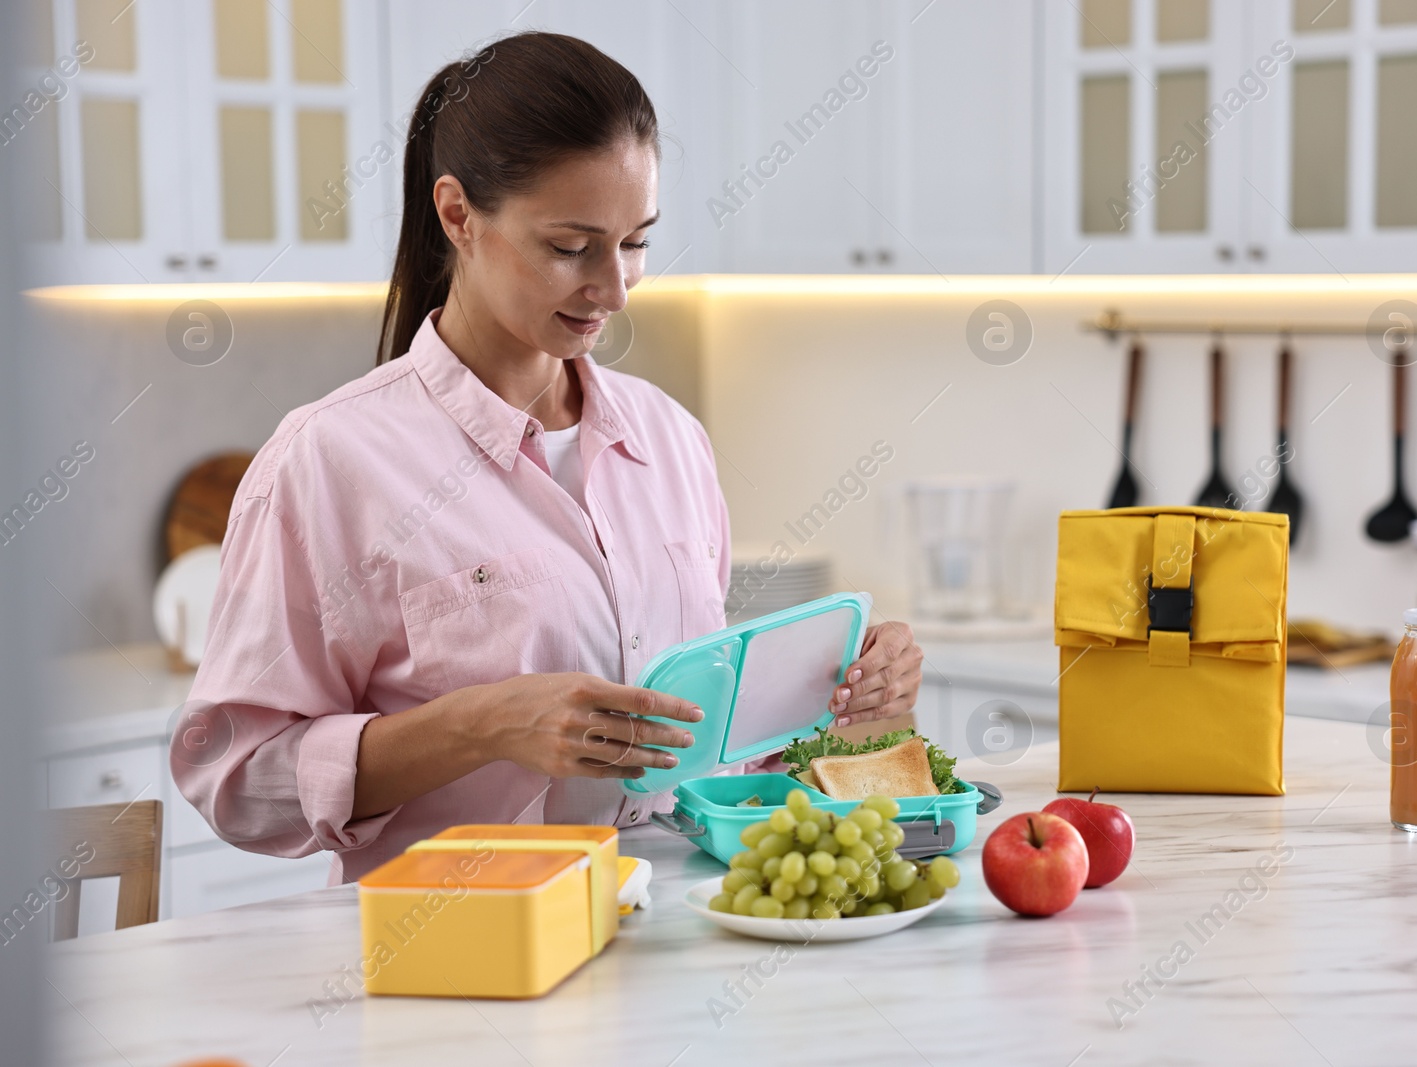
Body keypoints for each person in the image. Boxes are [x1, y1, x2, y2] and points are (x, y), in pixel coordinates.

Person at [171, 32, 924, 882]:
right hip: (460, 963)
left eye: (635, 240)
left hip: (677, 950)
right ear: (458, 215)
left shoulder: (668, 439)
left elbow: (713, 763)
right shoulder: (330, 461)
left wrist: (848, 700)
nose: (616, 287)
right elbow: (231, 776)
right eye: (572, 246)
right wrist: (482, 724)